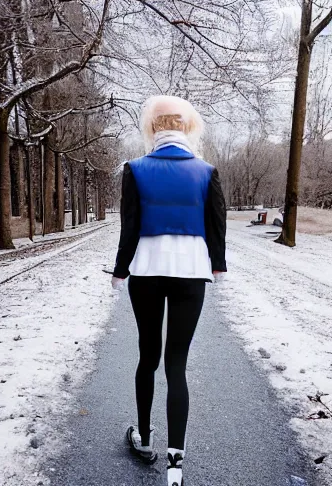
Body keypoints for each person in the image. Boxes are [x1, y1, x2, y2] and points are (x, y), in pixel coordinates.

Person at [112, 95, 227, 486]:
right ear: (187, 128)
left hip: (146, 270)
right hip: (191, 273)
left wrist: (119, 269)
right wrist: (218, 265)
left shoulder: (135, 169)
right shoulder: (206, 171)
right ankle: (175, 465)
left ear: (153, 129)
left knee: (149, 356)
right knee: (177, 365)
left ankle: (143, 438)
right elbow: (217, 224)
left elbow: (129, 227)